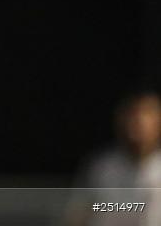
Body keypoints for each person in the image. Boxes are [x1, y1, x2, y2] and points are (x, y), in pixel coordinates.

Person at [64, 90, 161, 226]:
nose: (139, 123)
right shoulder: (101, 167)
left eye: (147, 114)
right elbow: (76, 215)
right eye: (133, 115)